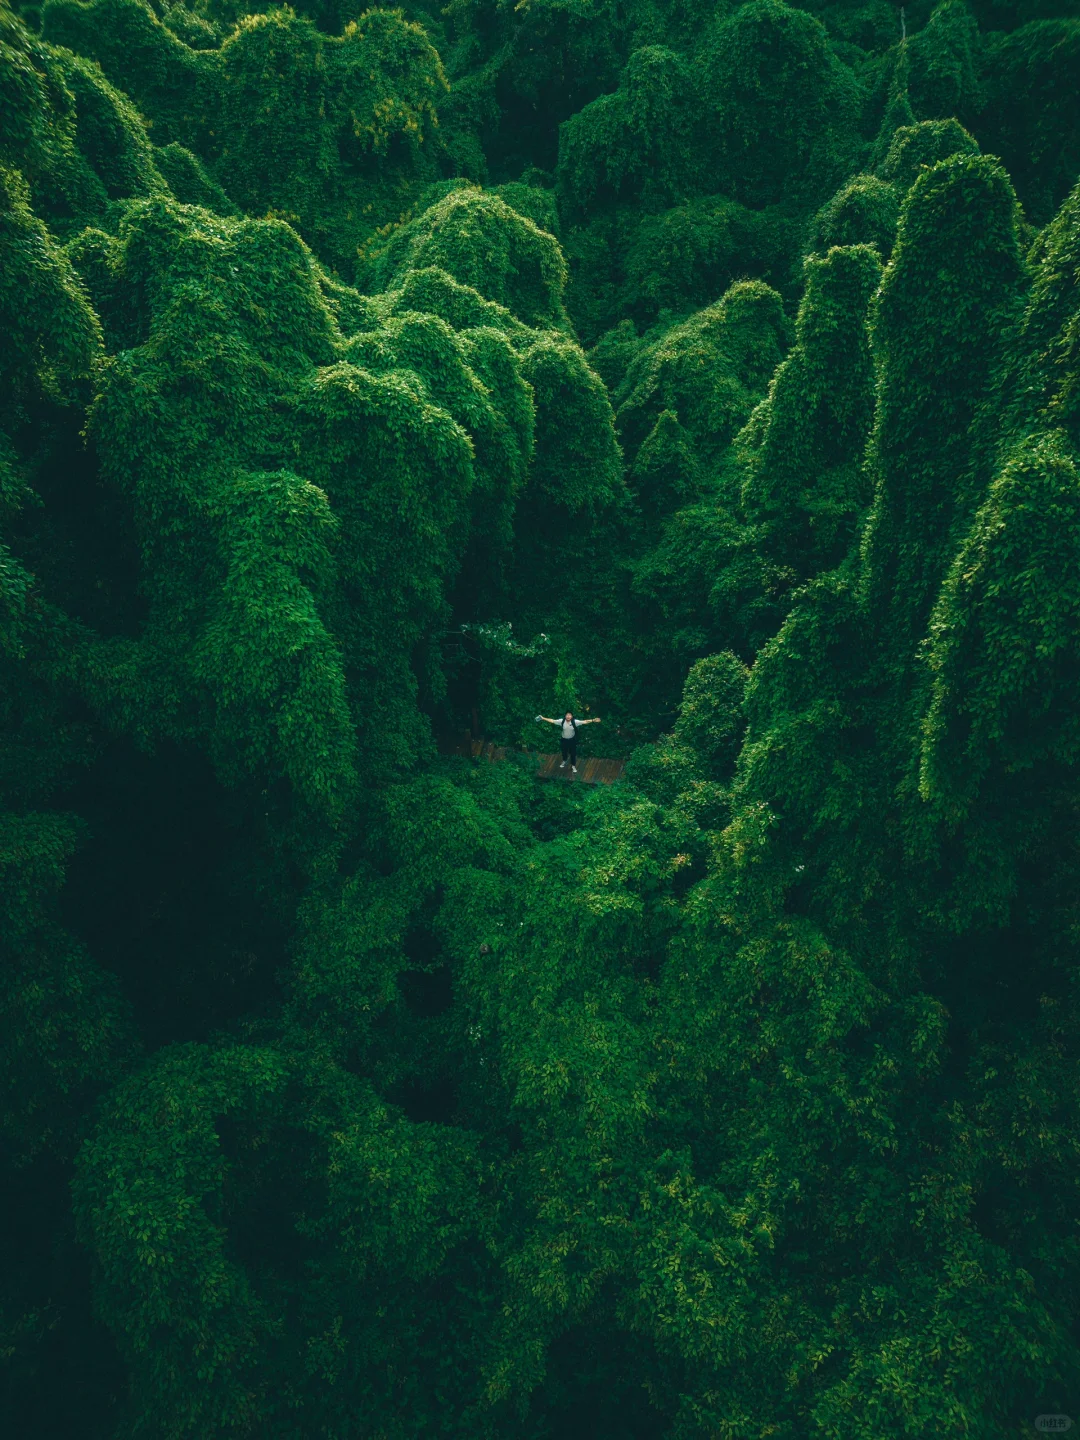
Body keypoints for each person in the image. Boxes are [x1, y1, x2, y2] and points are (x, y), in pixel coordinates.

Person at [535, 710, 601, 774]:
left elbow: (585, 721)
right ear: (565, 716)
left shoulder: (575, 722)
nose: (568, 716)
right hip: (564, 740)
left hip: (572, 740)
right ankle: (564, 760)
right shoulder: (562, 721)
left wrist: (593, 720)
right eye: (567, 715)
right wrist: (543, 718)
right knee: (564, 752)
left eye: (570, 715)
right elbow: (552, 721)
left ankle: (573, 766)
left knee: (573, 753)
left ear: (572, 716)